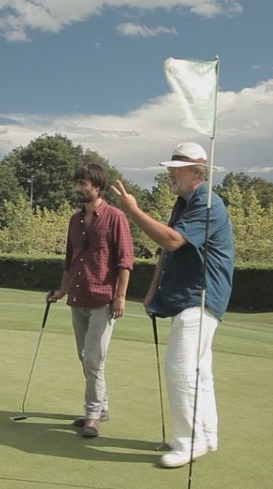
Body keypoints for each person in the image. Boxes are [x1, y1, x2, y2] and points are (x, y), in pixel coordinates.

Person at [111, 142, 234, 468]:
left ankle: (188, 441)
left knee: (181, 368)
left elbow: (172, 240)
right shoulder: (184, 203)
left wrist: (132, 210)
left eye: (176, 169)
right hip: (190, 297)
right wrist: (153, 293)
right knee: (199, 371)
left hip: (202, 296)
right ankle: (206, 435)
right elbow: (169, 253)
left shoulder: (207, 203)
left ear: (197, 172)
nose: (169, 174)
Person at [48, 163, 135, 438]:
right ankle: (102, 407)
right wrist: (61, 291)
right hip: (77, 297)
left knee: (94, 359)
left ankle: (93, 415)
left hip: (103, 300)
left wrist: (120, 297)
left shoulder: (115, 217)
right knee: (85, 357)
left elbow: (125, 261)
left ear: (97, 186)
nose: (78, 187)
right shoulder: (75, 220)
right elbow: (69, 260)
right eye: (78, 183)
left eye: (83, 183)